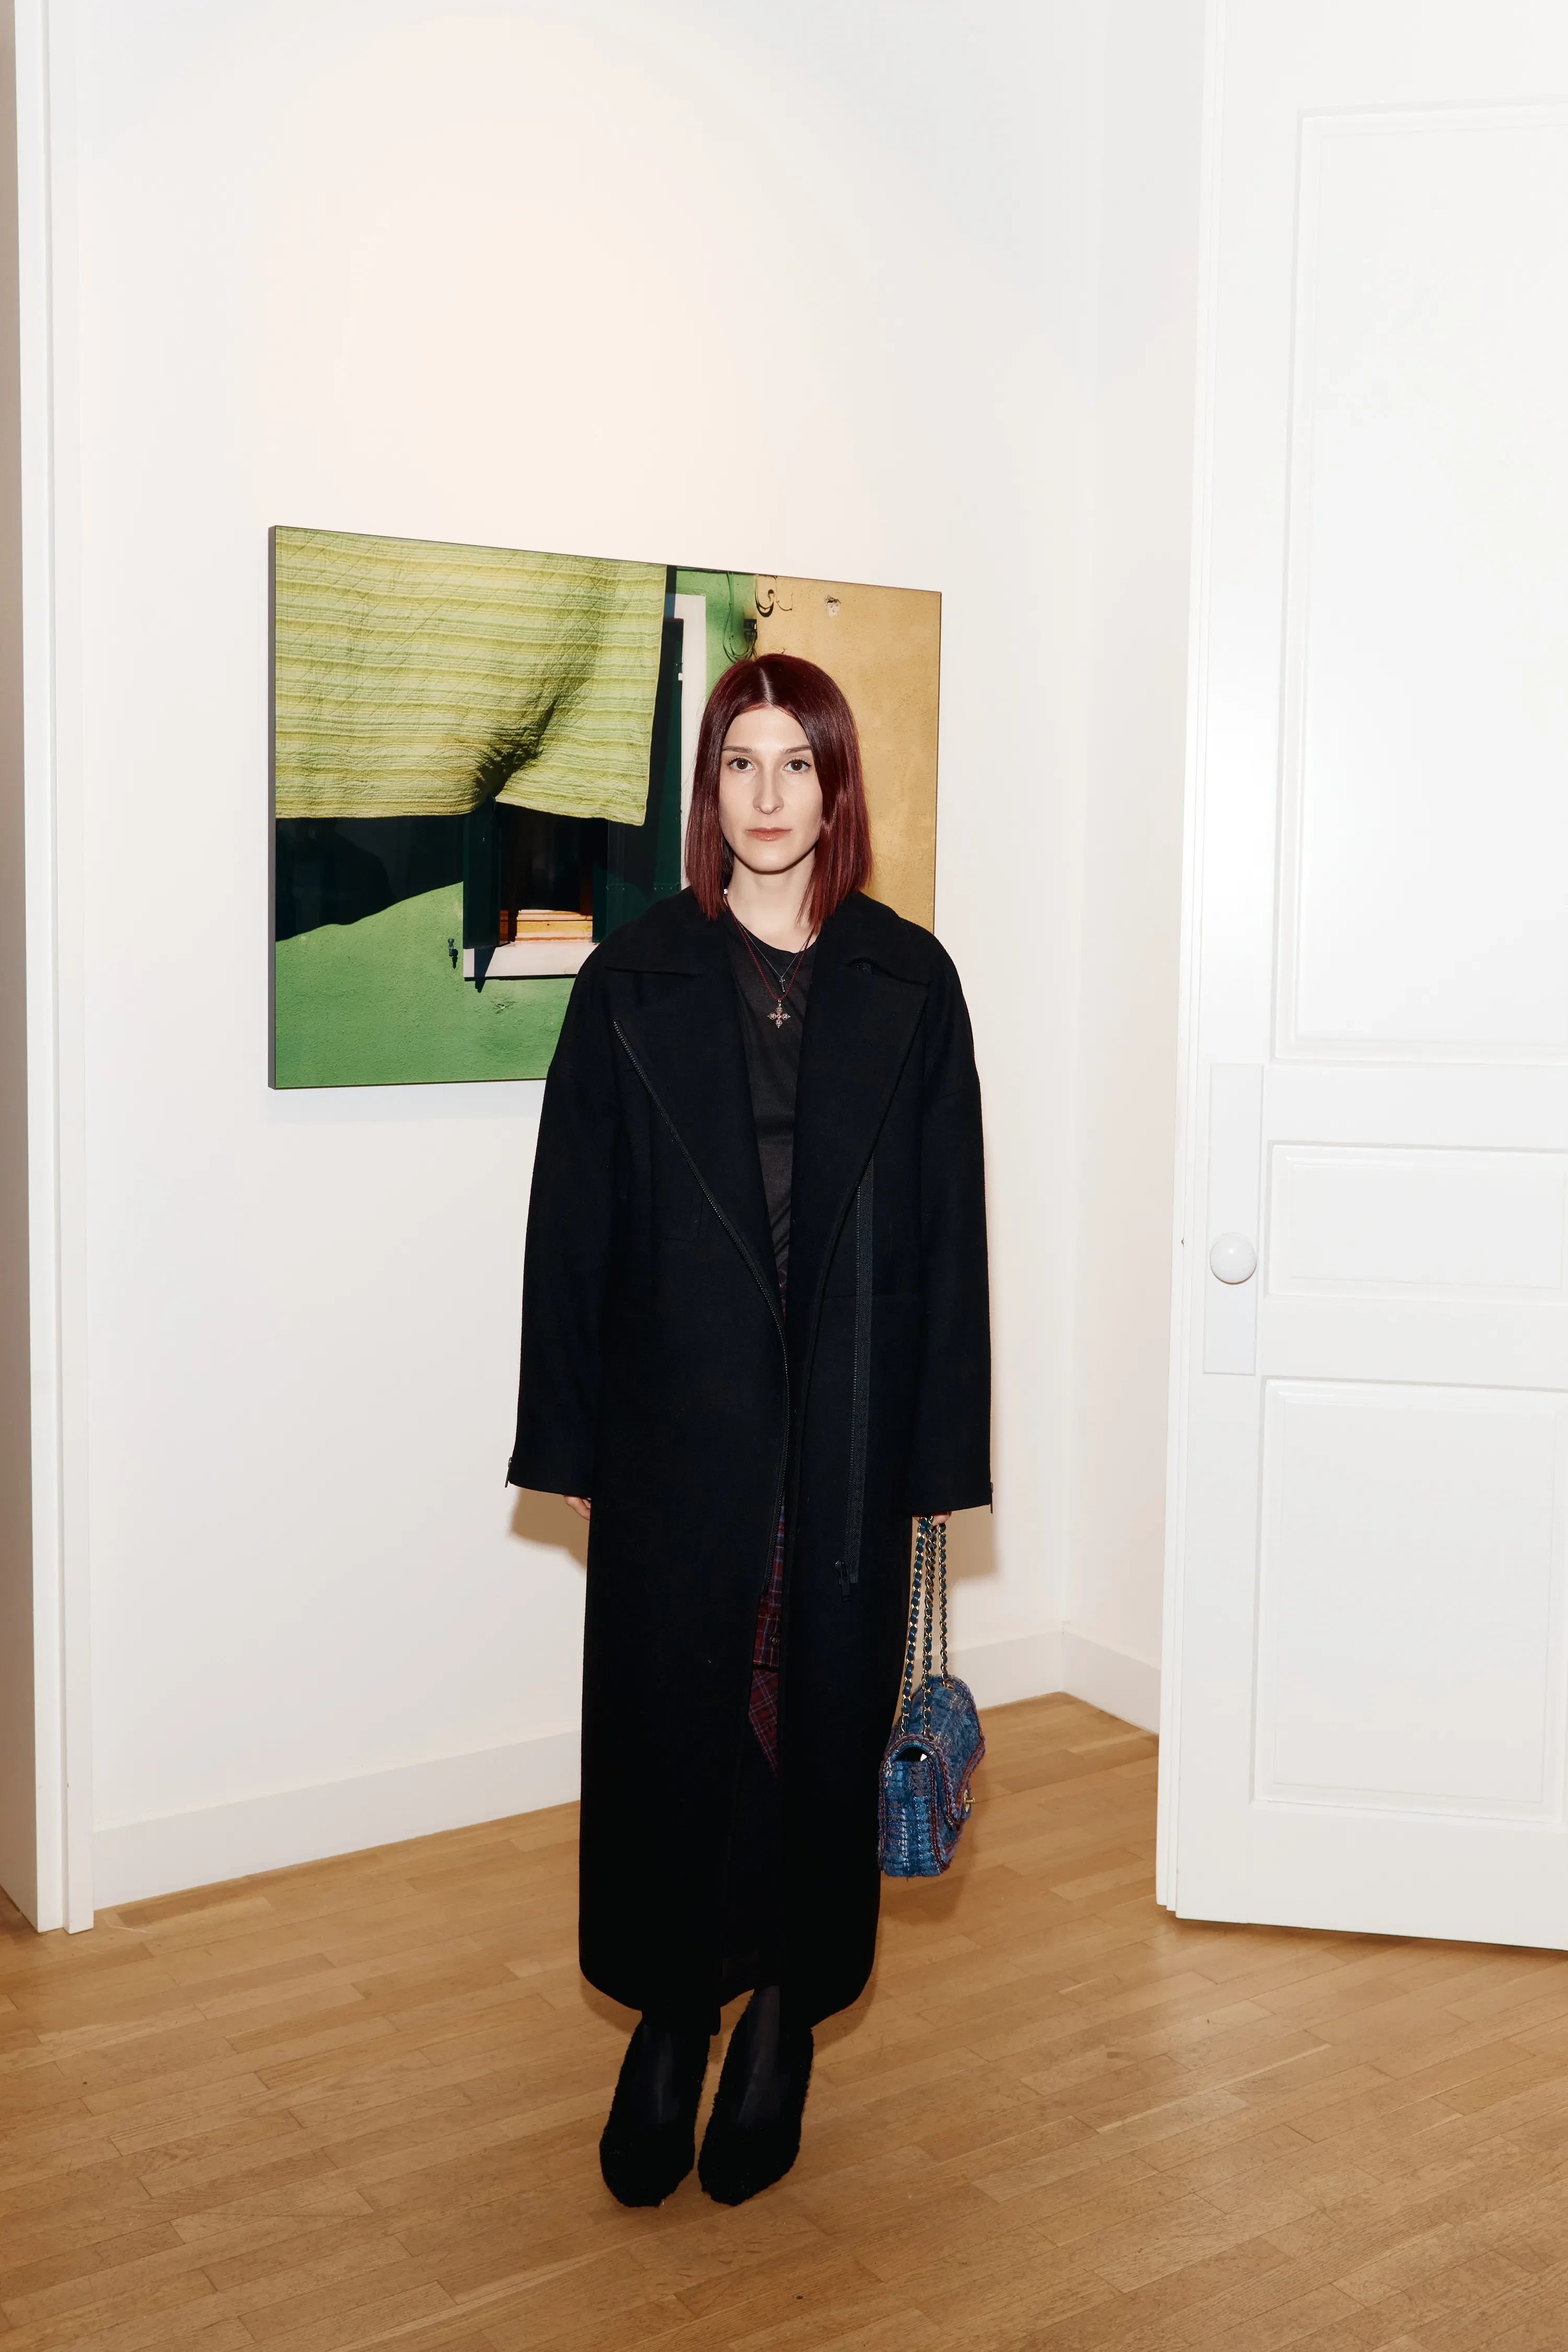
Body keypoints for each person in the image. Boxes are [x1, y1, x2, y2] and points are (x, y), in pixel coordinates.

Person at [508, 653, 990, 2208]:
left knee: (814, 1729)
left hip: (846, 1436)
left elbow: (950, 1239)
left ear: (836, 789)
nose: (769, 796)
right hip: (678, 1434)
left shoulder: (911, 983)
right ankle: (672, 2013)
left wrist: (938, 1464)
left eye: (798, 764)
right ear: (707, 788)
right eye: (740, 764)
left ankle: (782, 2009)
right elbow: (571, 1233)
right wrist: (575, 1447)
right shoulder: (634, 979)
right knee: (679, 1737)